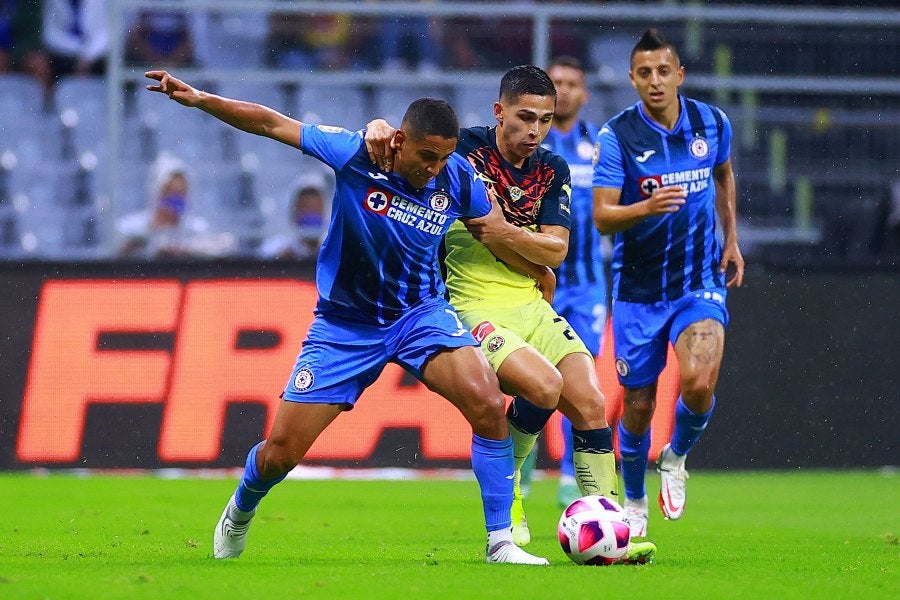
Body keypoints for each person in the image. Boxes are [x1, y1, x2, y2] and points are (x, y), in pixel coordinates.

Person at [144, 68, 552, 566]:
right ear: (401, 140)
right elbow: (272, 124)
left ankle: (500, 542)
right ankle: (241, 507)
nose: (435, 168)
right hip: (345, 327)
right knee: (281, 453)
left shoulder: (458, 177)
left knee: (488, 403)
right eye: (427, 156)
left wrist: (538, 271)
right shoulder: (358, 153)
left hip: (419, 315)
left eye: (445, 157)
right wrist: (201, 98)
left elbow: (492, 231)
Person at [365, 65, 656, 564]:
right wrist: (376, 126)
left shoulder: (552, 169)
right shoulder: (461, 148)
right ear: (499, 112)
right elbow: (404, 145)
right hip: (469, 302)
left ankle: (605, 529)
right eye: (524, 118)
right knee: (542, 387)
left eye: (544, 120)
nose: (535, 131)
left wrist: (502, 232)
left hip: (530, 300)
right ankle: (513, 497)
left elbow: (556, 251)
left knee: (589, 400)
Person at [592, 28, 745, 539]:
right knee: (637, 403)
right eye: (644, 73)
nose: (655, 81)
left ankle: (675, 455)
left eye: (663, 71)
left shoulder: (711, 122)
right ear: (633, 80)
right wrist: (646, 206)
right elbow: (602, 218)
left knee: (700, 383)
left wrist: (732, 238)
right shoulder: (617, 137)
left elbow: (724, 175)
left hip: (699, 279)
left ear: (679, 74)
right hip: (638, 287)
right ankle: (633, 499)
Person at [528, 55, 609, 509]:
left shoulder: (599, 146)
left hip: (589, 285)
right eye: (555, 82)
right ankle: (521, 470)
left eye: (571, 83)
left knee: (579, 381)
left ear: (584, 93)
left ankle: (567, 476)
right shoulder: (531, 147)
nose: (564, 89)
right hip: (538, 282)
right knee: (529, 378)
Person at [116, 153, 234, 259]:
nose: (176, 199)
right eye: (169, 192)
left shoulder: (196, 228)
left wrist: (185, 250)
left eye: (181, 193)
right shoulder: (131, 226)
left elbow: (223, 246)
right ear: (156, 192)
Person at [258, 176, 328, 260]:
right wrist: (279, 262)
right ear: (294, 212)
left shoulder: (334, 248)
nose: (311, 214)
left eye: (315, 209)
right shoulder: (276, 247)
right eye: (306, 209)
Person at [41, 0, 108, 81]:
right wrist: (81, 51)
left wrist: (88, 56)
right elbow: (50, 34)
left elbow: (110, 32)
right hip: (67, 54)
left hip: (99, 55)